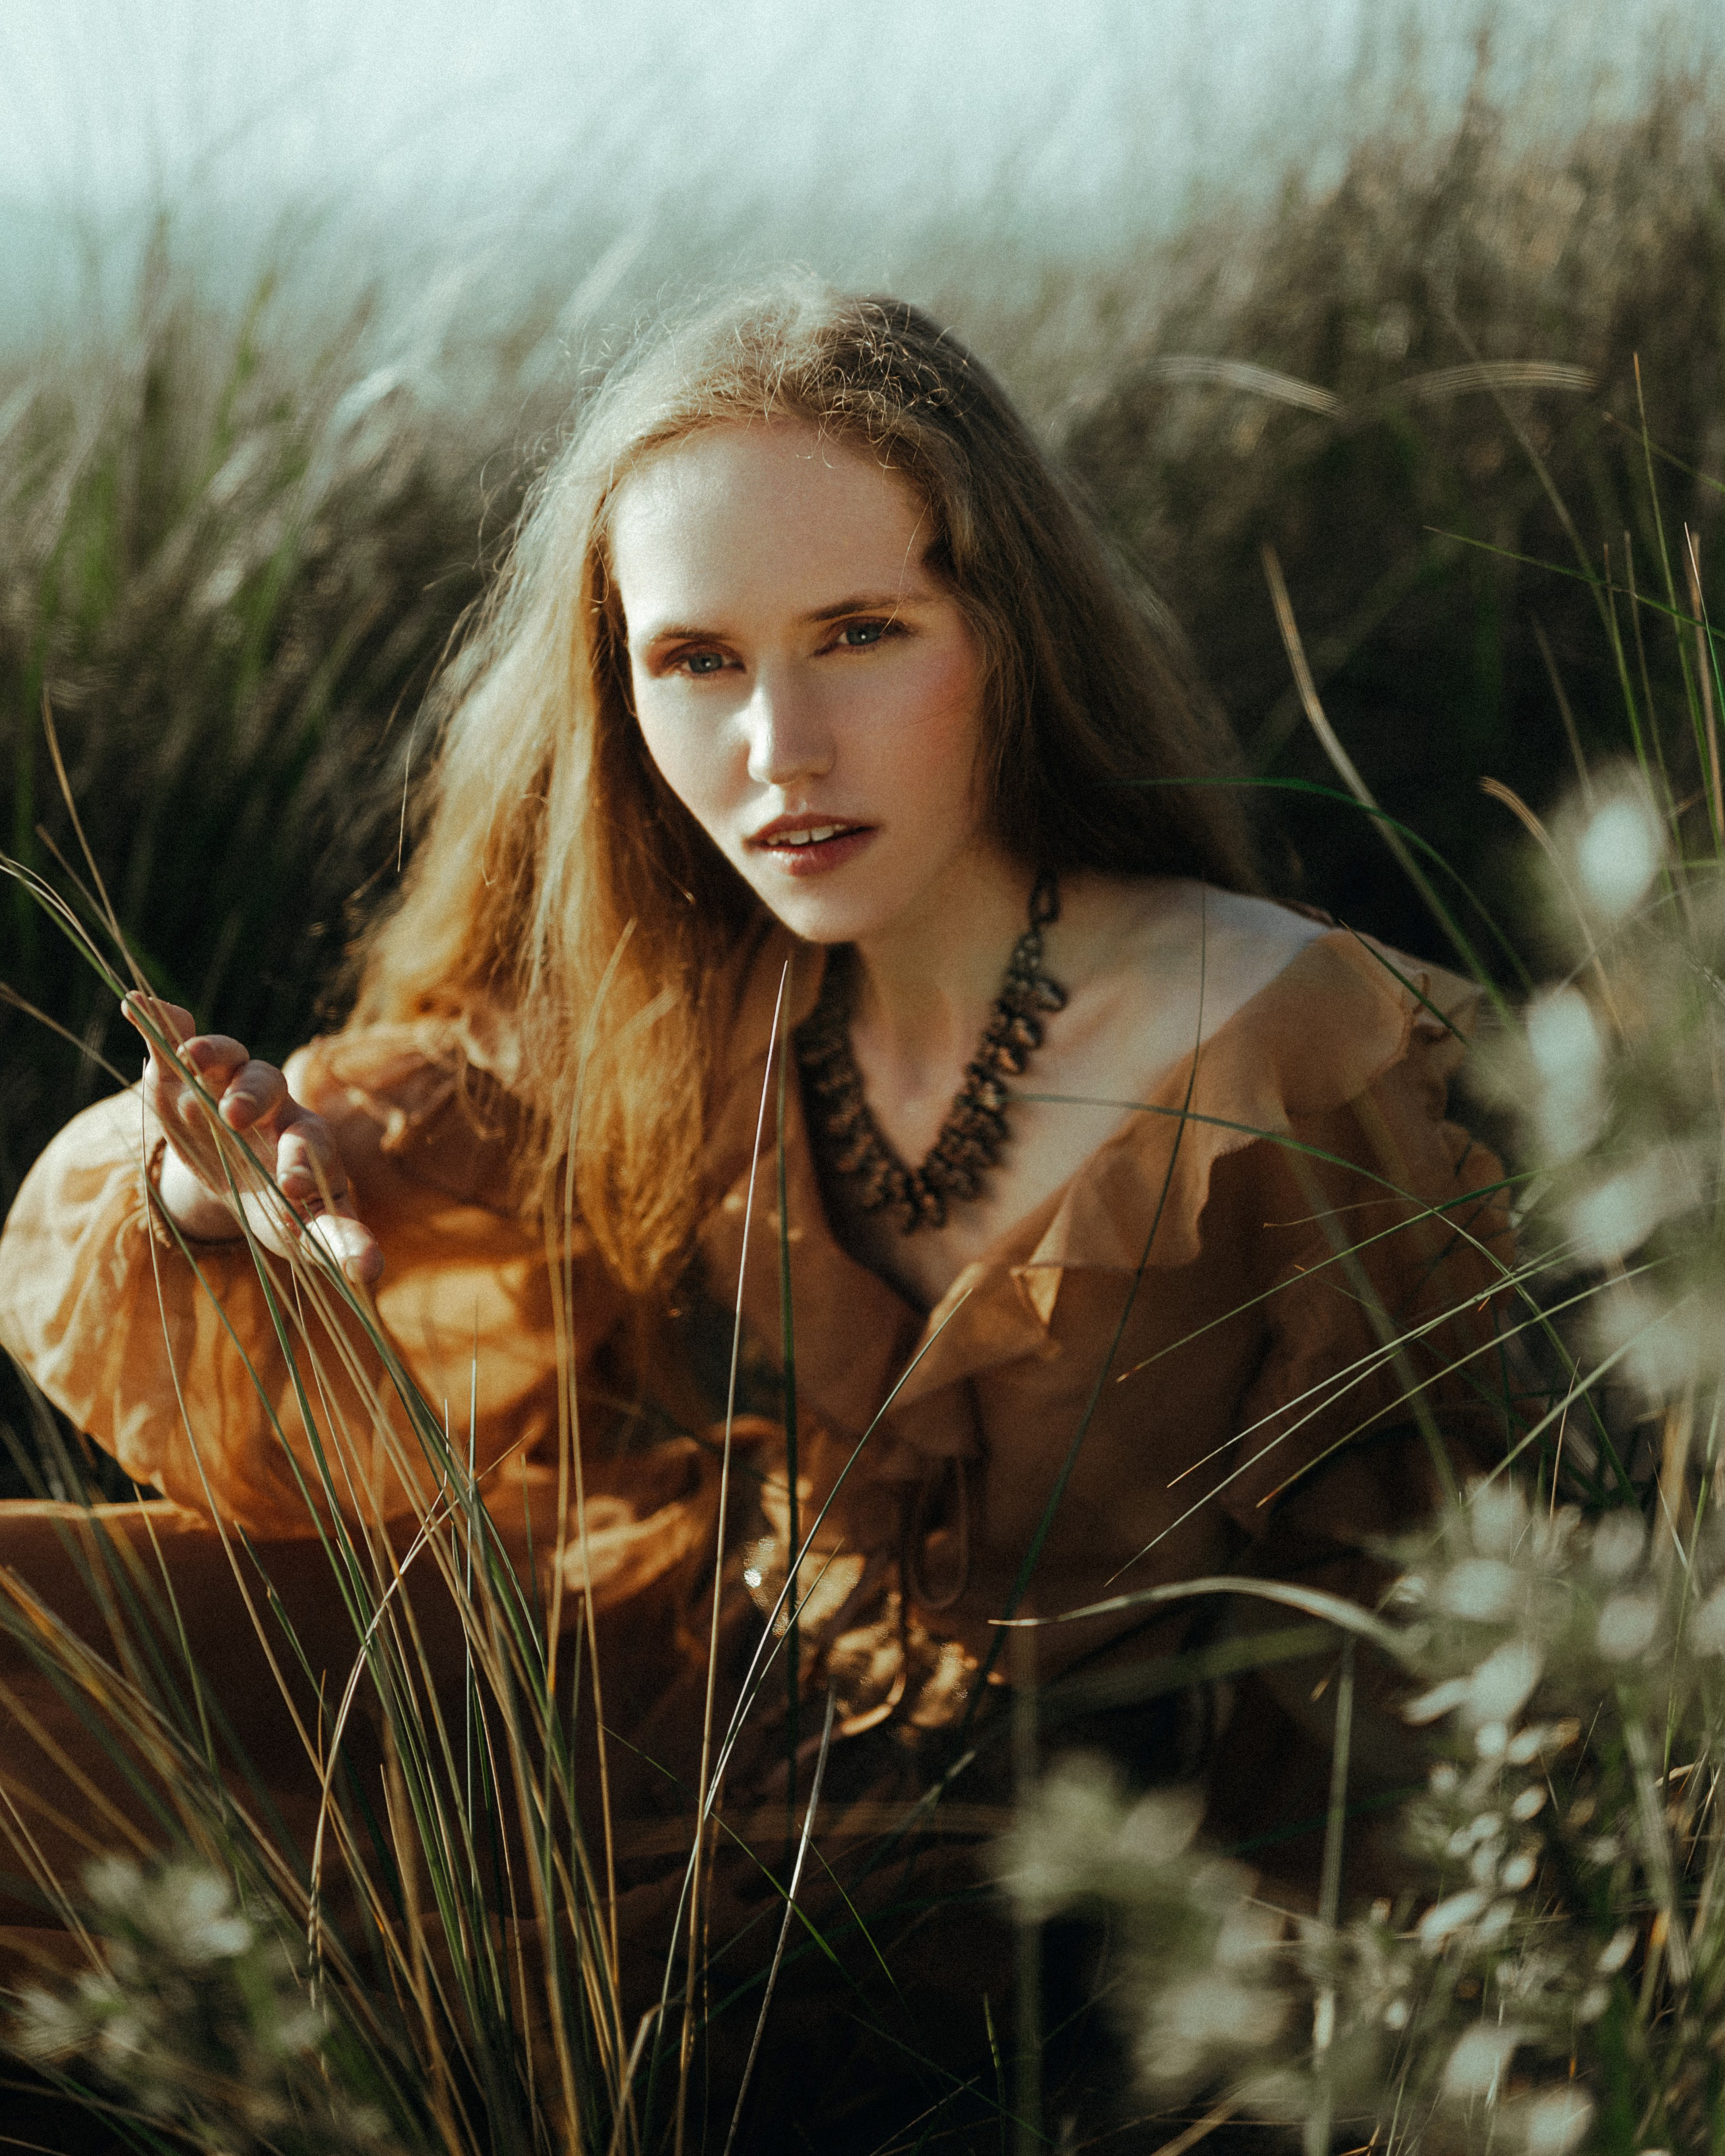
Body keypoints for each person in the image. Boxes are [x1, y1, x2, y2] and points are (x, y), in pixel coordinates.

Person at [0, 282, 1513, 2145]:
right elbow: (363, 1138)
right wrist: (204, 1189)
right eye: (695, 659)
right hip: (670, 1678)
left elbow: (1424, 1618)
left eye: (861, 634)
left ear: (1009, 632)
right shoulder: (692, 989)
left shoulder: (1280, 1041)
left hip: (1036, 1886)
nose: (777, 746)